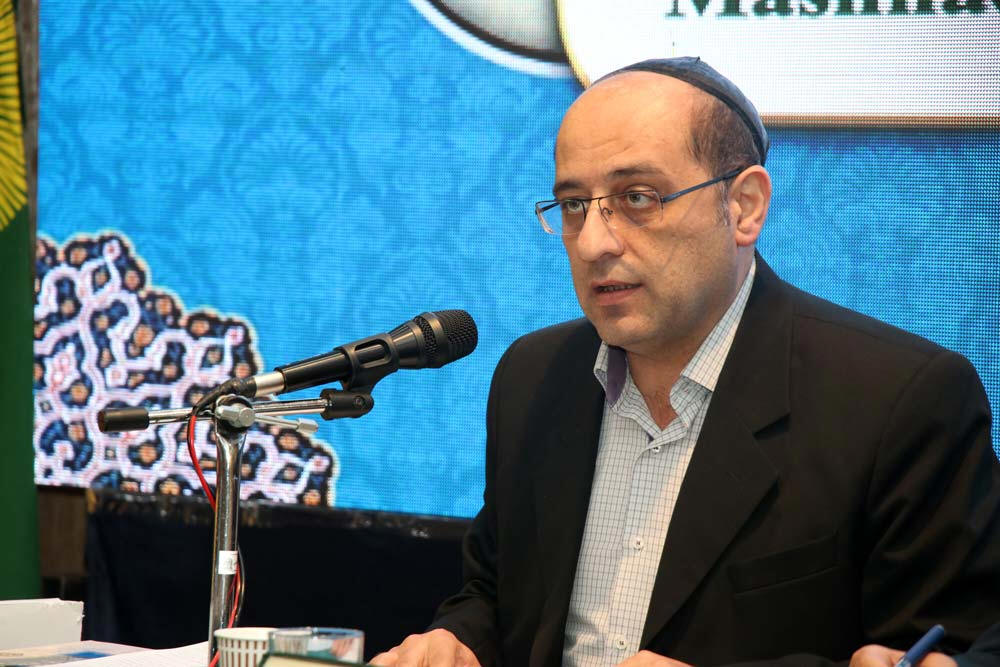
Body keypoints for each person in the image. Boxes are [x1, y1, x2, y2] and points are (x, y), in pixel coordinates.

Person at [370, 58, 1000, 667]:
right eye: (574, 205)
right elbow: (494, 594)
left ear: (744, 206)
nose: (593, 243)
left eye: (638, 198)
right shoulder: (533, 376)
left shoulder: (898, 400)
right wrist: (456, 641)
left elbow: (949, 653)